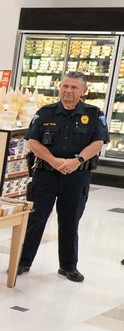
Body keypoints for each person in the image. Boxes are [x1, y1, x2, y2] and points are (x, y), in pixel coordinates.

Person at [18, 71, 108, 282]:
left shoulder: (95, 114)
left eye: (74, 87)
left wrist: (76, 161)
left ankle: (68, 266)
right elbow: (33, 141)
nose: (68, 91)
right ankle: (23, 261)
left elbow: (99, 142)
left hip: (77, 176)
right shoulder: (45, 112)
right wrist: (54, 161)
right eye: (65, 86)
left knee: (70, 220)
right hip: (45, 174)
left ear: (84, 91)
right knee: (35, 218)